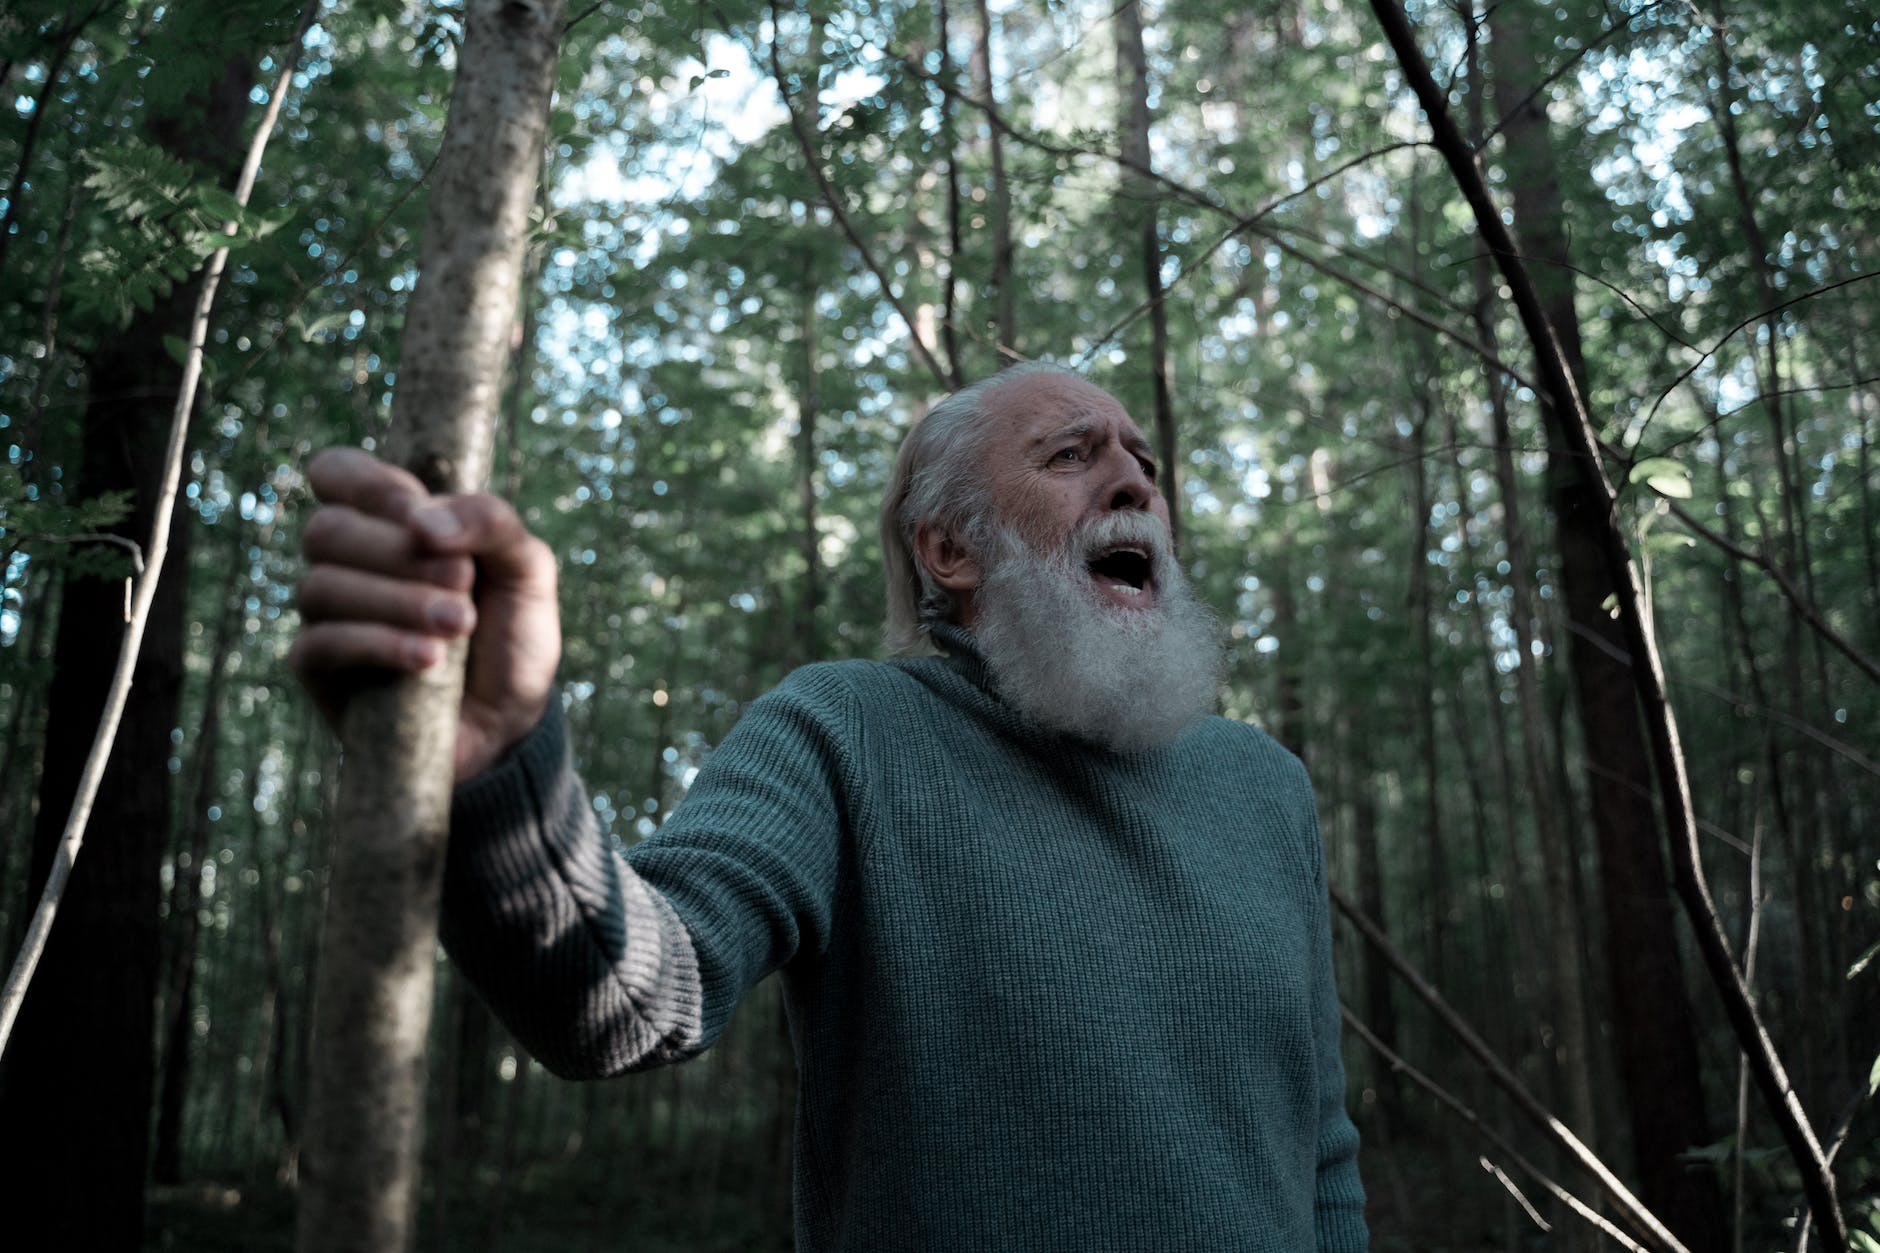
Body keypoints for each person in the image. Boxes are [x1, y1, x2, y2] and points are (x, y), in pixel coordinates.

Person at [292, 362, 1369, 1250]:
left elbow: (1318, 1151)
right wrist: (499, 761)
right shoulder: (844, 726)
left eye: (1142, 460)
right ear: (946, 549)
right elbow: (626, 995)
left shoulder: (1263, 785)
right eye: (1070, 453)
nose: (1134, 479)